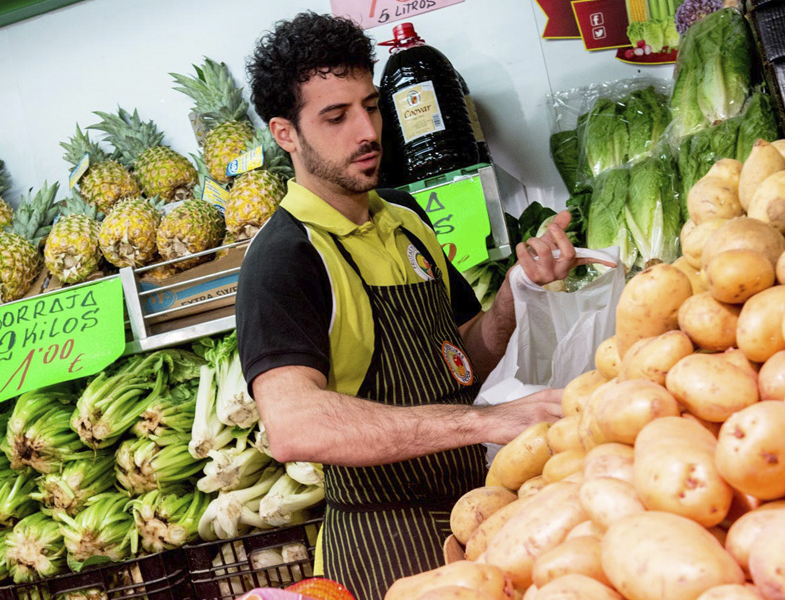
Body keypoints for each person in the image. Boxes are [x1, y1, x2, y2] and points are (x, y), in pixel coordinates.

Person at [237, 12, 608, 598]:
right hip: (387, 540)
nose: (367, 131)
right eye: (336, 117)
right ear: (286, 133)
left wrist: (517, 290)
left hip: (481, 507)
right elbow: (291, 424)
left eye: (372, 106)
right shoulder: (284, 258)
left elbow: (458, 360)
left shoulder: (405, 217)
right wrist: (486, 422)